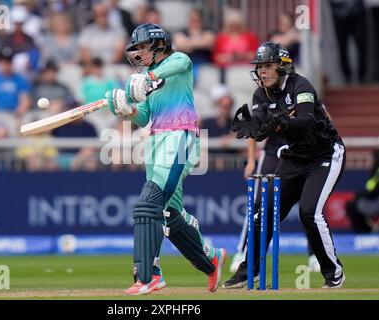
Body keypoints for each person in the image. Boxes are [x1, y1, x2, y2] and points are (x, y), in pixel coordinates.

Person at [105, 23, 227, 295]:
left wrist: (149, 78)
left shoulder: (178, 61)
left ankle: (149, 275)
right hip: (156, 141)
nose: (138, 53)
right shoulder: (145, 77)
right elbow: (145, 116)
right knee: (170, 214)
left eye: (142, 47)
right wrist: (126, 110)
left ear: (158, 45)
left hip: (180, 137)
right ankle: (211, 260)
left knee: (147, 206)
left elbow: (179, 63)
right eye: (136, 49)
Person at [227, 42, 346, 289]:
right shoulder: (261, 94)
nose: (263, 72)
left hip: (324, 154)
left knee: (309, 212)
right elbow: (261, 128)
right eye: (260, 67)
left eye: (268, 66)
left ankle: (332, 272)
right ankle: (251, 268)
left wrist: (279, 125)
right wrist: (255, 130)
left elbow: (306, 123)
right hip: (294, 156)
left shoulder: (300, 85)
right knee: (263, 211)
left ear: (282, 66)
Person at [229, 137, 321, 273]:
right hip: (272, 154)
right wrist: (250, 160)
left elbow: (325, 119)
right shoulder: (266, 114)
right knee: (258, 204)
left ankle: (314, 256)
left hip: (298, 155)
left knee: (308, 205)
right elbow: (253, 130)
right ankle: (242, 254)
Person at [347, 149, 379, 233]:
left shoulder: (377, 171)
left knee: (353, 206)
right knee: (352, 204)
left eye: (372, 159)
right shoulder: (374, 172)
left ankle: (363, 232)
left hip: (376, 201)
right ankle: (365, 232)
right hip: (373, 199)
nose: (370, 161)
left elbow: (375, 191)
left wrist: (359, 195)